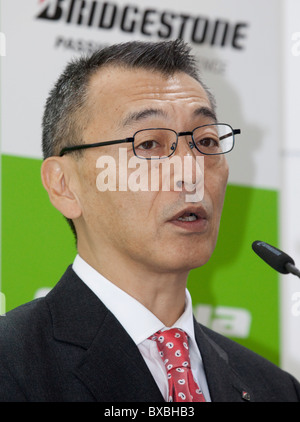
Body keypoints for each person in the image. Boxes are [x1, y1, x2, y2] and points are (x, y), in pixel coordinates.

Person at [0, 40, 299, 403]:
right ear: (64, 185)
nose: (192, 172)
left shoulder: (276, 388)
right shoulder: (12, 363)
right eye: (150, 145)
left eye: (206, 141)